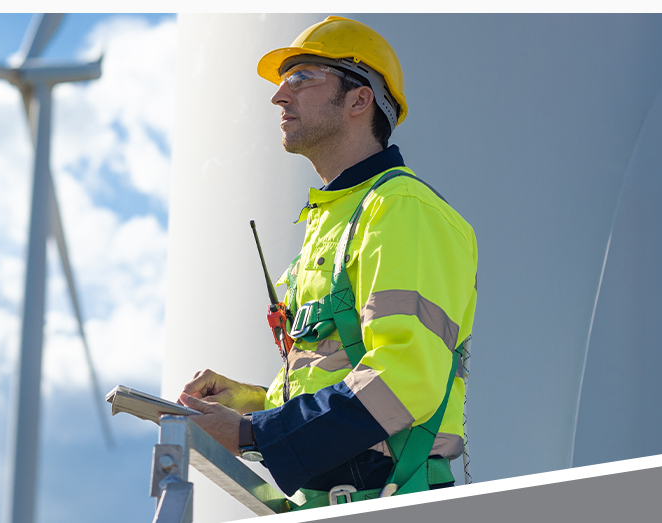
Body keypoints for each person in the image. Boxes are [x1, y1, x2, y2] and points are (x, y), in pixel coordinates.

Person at [176, 16, 480, 509]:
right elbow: (340, 374)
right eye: (281, 82)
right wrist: (253, 401)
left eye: (301, 78)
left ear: (360, 100)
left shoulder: (402, 209)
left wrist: (254, 431)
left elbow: (405, 377)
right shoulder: (336, 219)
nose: (279, 96)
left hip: (391, 496)